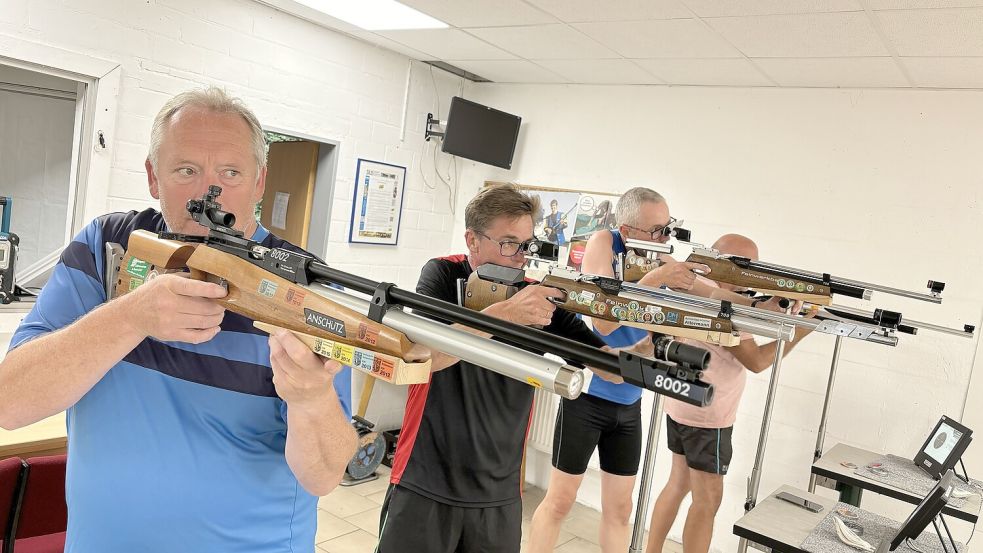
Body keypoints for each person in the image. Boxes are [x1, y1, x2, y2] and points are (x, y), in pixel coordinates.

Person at [0, 87, 357, 552]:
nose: (209, 193)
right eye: (186, 170)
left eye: (230, 172)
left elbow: (324, 475)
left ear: (259, 182)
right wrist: (131, 317)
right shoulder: (108, 249)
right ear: (153, 176)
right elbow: (11, 403)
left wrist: (310, 398)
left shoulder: (303, 289)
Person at [375, 183, 638, 553]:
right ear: (473, 240)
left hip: (499, 492)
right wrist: (505, 315)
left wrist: (649, 351)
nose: (521, 256)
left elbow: (606, 364)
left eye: (527, 244)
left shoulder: (536, 294)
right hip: (426, 478)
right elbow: (422, 356)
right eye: (509, 243)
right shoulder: (442, 275)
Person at [530, 187, 710, 552]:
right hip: (588, 396)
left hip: (629, 399)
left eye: (668, 228)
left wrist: (759, 301)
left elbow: (710, 291)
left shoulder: (657, 260)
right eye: (656, 230)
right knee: (560, 501)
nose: (664, 238)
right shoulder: (604, 243)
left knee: (621, 509)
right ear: (627, 231)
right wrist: (658, 279)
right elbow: (603, 323)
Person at [644, 234, 815, 553]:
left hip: (680, 405)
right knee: (707, 501)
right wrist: (802, 330)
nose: (748, 275)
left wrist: (776, 310)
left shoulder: (692, 288)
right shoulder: (728, 310)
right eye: (742, 267)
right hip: (709, 418)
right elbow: (758, 362)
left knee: (677, 483)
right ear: (719, 264)